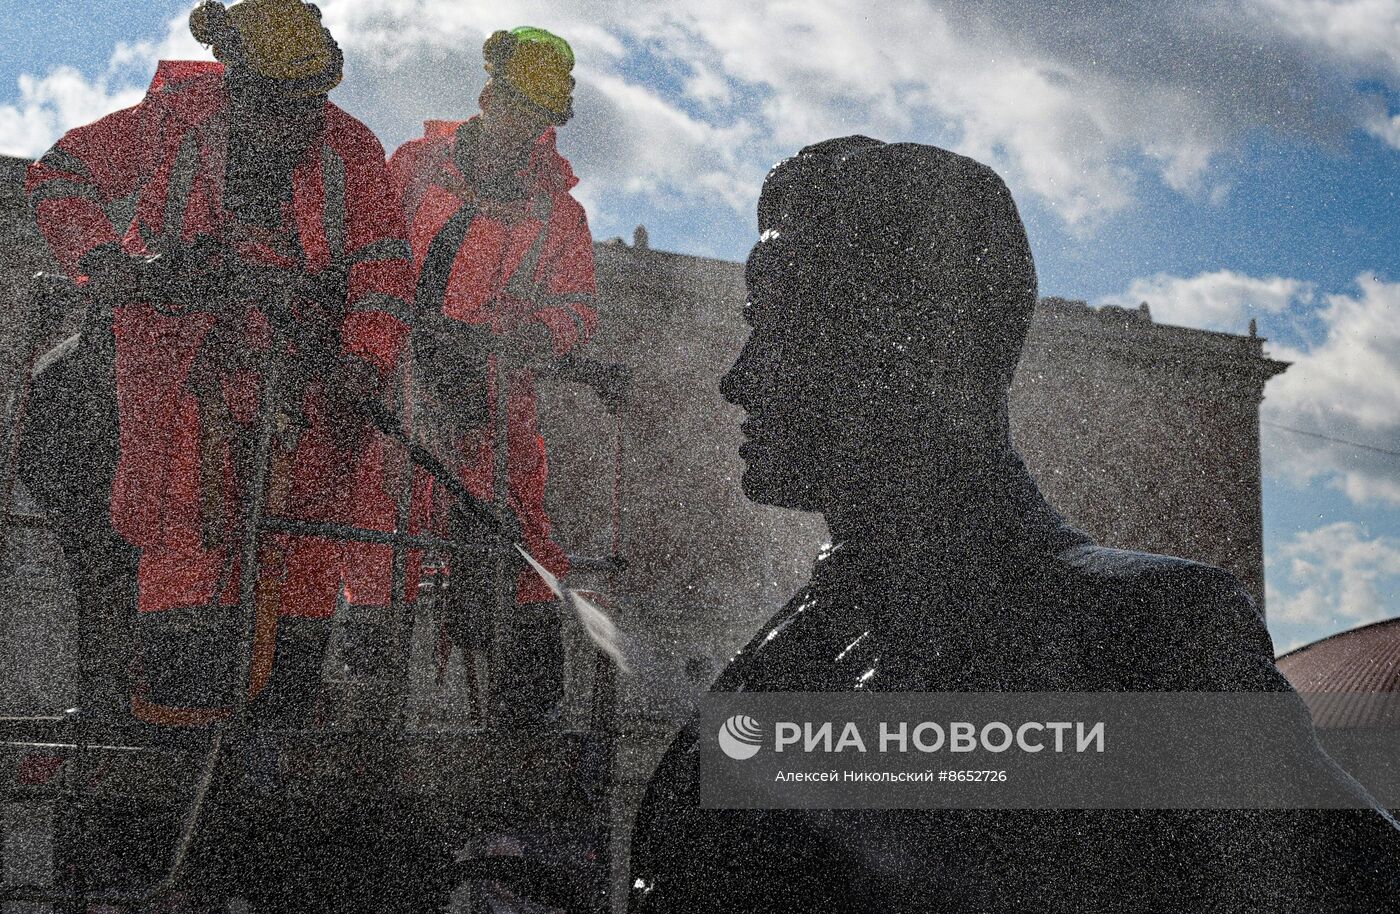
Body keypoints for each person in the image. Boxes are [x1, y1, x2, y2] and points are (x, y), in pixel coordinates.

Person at [626, 137, 1400, 911]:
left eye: (783, 328)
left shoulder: (1138, 635)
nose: (738, 379)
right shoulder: (790, 649)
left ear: (925, 351)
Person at [25, 0, 414, 727]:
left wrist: (365, 360)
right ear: (235, 84)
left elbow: (386, 270)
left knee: (301, 554)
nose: (295, 121)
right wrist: (109, 265)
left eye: (308, 103)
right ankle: (178, 719)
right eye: (277, 103)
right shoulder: (174, 119)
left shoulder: (352, 151)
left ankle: (283, 719)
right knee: (183, 538)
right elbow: (58, 176)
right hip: (178, 377)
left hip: (307, 397)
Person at [387, 26, 598, 726]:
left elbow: (575, 310)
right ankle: (369, 707)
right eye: (516, 107)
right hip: (391, 393)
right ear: (487, 96)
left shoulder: (558, 215)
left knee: (516, 546)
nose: (525, 127)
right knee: (375, 541)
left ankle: (524, 726)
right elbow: (371, 257)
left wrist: (530, 333)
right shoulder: (415, 167)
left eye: (539, 117)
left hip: (492, 409)